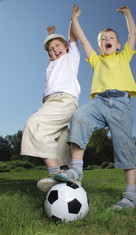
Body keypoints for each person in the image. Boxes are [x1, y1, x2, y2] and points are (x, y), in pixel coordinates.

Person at [54, 4, 136, 210]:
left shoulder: (124, 56)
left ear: (118, 44)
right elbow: (83, 39)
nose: (106, 40)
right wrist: (74, 19)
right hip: (99, 101)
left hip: (121, 103)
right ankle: (76, 170)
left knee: (125, 146)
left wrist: (128, 14)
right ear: (99, 46)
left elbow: (133, 32)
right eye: (102, 38)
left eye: (110, 37)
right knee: (79, 117)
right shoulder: (96, 60)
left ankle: (131, 197)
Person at [21, 17, 81, 192]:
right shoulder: (52, 65)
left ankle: (54, 174)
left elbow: (73, 38)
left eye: (58, 46)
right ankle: (70, 180)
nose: (55, 50)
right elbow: (52, 50)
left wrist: (73, 19)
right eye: (51, 50)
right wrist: (50, 35)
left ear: (66, 47)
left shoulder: (71, 57)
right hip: (51, 102)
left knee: (35, 125)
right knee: (60, 143)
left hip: (64, 99)